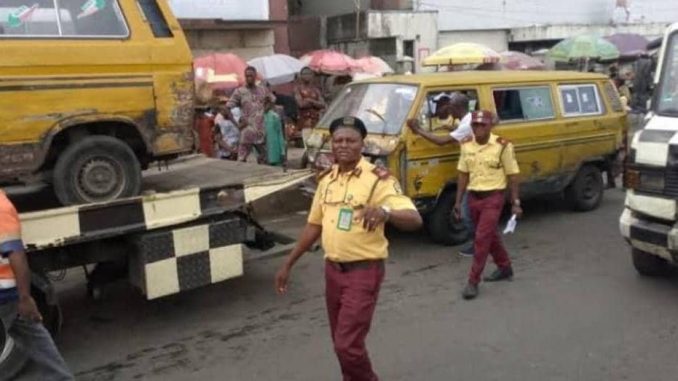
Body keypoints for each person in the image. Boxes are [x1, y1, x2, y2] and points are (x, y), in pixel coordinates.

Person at [275, 117, 422, 381]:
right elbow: (313, 226)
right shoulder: (327, 180)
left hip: (363, 272)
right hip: (333, 271)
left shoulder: (378, 179)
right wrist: (288, 263)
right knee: (340, 342)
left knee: (347, 345)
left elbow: (414, 219)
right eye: (338, 140)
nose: (343, 145)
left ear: (361, 144)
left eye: (350, 140)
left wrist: (385, 212)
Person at [0, 191, 74, 380]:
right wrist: (25, 298)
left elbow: (15, 255)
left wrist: (24, 298)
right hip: (6, 292)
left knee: (35, 337)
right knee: (36, 339)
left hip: (6, 293)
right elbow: (16, 255)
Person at [454, 110, 522, 300]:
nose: (478, 128)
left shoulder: (502, 146)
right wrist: (458, 202)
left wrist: (516, 202)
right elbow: (463, 173)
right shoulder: (466, 145)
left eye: (482, 125)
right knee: (489, 236)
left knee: (482, 239)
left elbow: (513, 175)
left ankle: (473, 281)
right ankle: (505, 267)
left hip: (494, 197)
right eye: (475, 125)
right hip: (473, 197)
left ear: (490, 126)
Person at [407, 93, 477, 257]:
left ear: (456, 108)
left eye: (449, 106)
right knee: (471, 207)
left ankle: (479, 243)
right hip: (469, 167)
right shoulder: (466, 121)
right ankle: (482, 242)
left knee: (467, 211)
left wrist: (418, 130)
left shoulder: (467, 124)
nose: (446, 108)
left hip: (474, 168)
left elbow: (441, 141)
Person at [227, 66, 275, 164]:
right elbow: (226, 109)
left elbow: (272, 100)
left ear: (255, 76)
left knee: (264, 160)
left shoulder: (263, 90)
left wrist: (264, 111)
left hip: (260, 131)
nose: (249, 78)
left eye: (251, 76)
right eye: (247, 76)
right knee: (241, 160)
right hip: (246, 131)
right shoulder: (240, 92)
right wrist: (237, 124)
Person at [294, 67, 326, 136]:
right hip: (303, 121)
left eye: (309, 73)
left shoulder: (316, 90)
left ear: (312, 75)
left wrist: (310, 100)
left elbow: (322, 104)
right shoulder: (298, 89)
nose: (307, 76)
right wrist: (315, 103)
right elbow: (301, 104)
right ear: (301, 76)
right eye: (304, 74)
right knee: (306, 140)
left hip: (316, 121)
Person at [264, 98, 286, 166]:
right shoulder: (257, 117)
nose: (263, 106)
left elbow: (280, 134)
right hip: (263, 151)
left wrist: (283, 151)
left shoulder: (274, 116)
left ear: (269, 104)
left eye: (265, 104)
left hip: (275, 150)